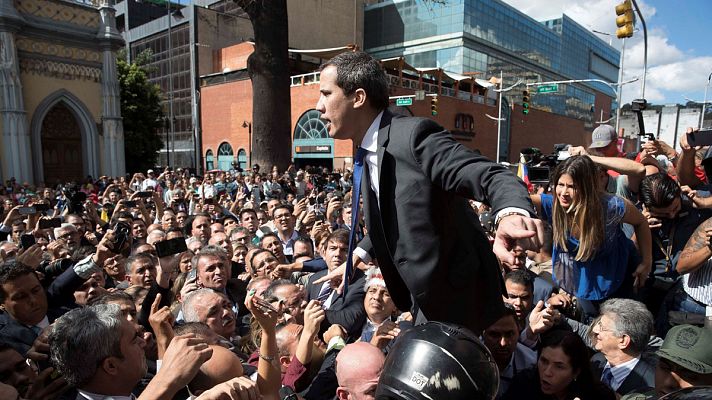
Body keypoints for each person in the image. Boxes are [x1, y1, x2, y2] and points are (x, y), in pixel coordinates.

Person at [316, 50, 544, 333]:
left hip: (459, 303)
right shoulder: (368, 151)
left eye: (326, 94)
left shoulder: (413, 137)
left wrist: (510, 213)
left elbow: (489, 174)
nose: (318, 106)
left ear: (358, 97)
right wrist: (357, 256)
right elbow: (394, 217)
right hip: (420, 303)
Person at [531, 156, 652, 315]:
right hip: (586, 280)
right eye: (560, 185)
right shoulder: (553, 205)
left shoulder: (610, 206)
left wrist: (646, 261)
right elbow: (520, 199)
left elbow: (641, 222)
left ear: (587, 187)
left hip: (621, 276)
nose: (564, 193)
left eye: (572, 186)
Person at [503, 329, 615, 400]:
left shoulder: (599, 396)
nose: (547, 372)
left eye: (559, 366)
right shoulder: (523, 386)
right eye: (544, 361)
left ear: (576, 372)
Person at [589, 298, 657, 396]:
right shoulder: (596, 361)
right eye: (598, 324)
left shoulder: (649, 388)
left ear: (623, 341)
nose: (595, 330)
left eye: (602, 328)